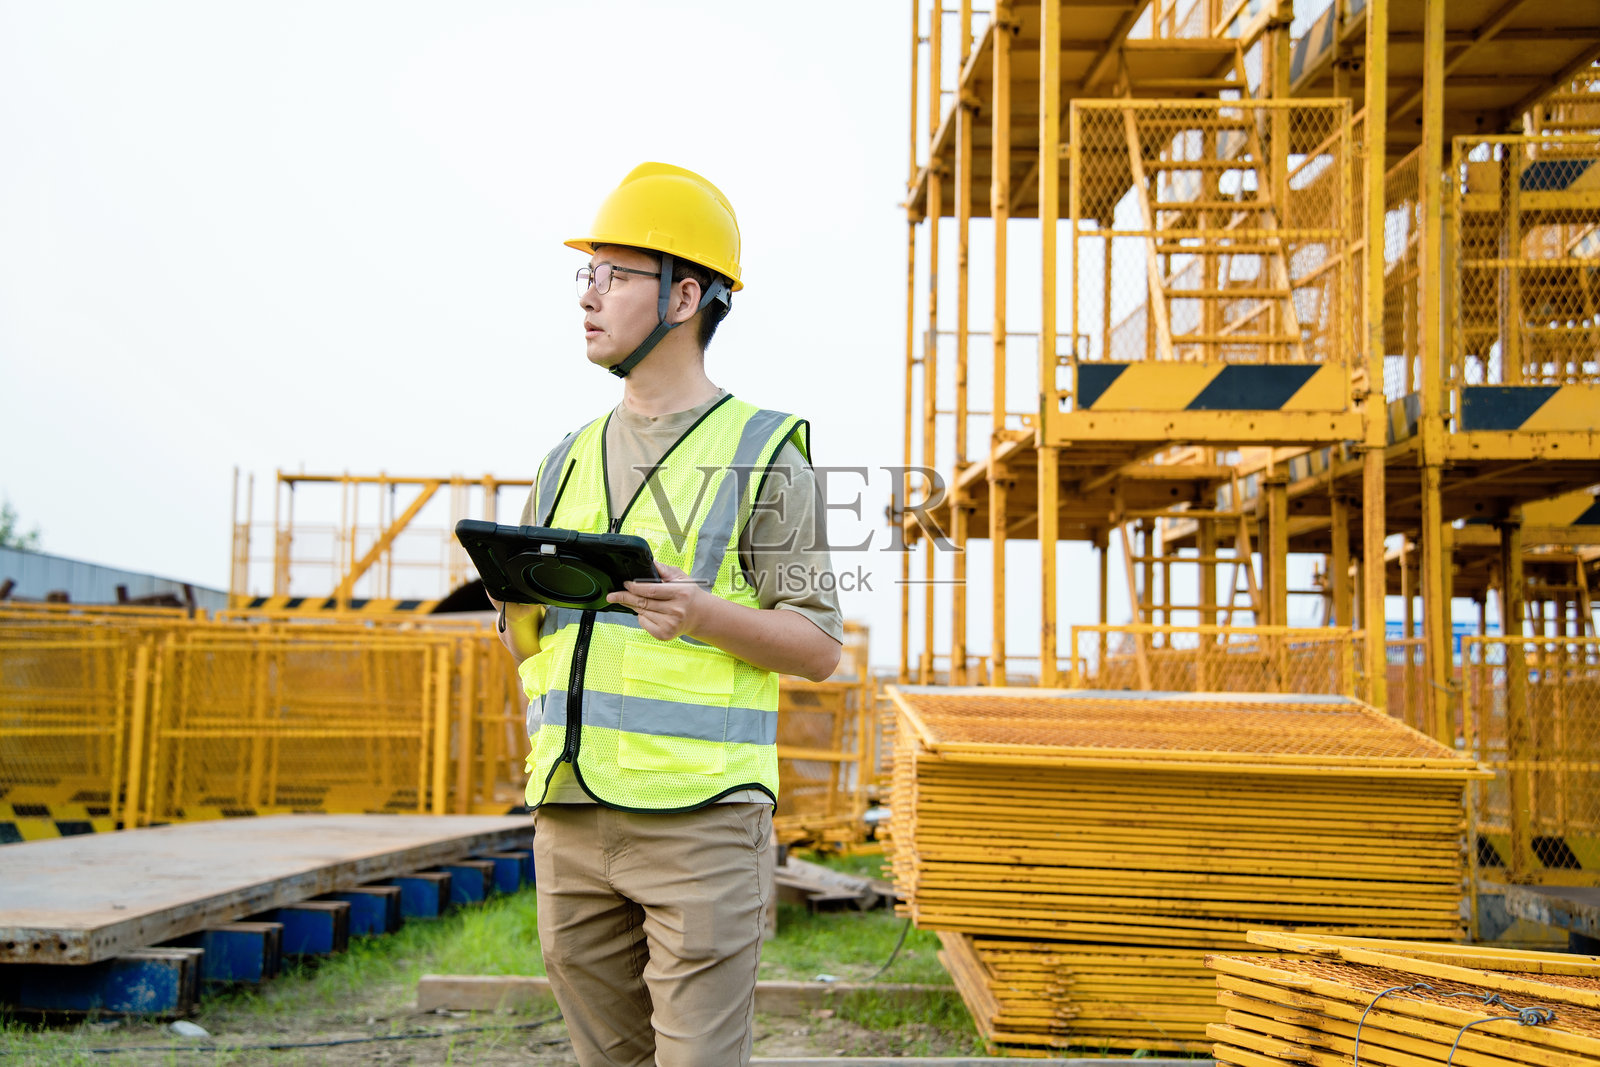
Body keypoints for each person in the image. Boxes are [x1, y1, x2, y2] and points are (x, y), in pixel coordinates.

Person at [492, 161, 843, 1067]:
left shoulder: (766, 454)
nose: (588, 296)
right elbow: (538, 646)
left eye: (613, 275)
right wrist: (509, 606)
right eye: (587, 274)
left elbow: (818, 648)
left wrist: (701, 613)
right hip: (569, 811)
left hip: (700, 823)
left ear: (685, 295)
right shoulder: (563, 460)